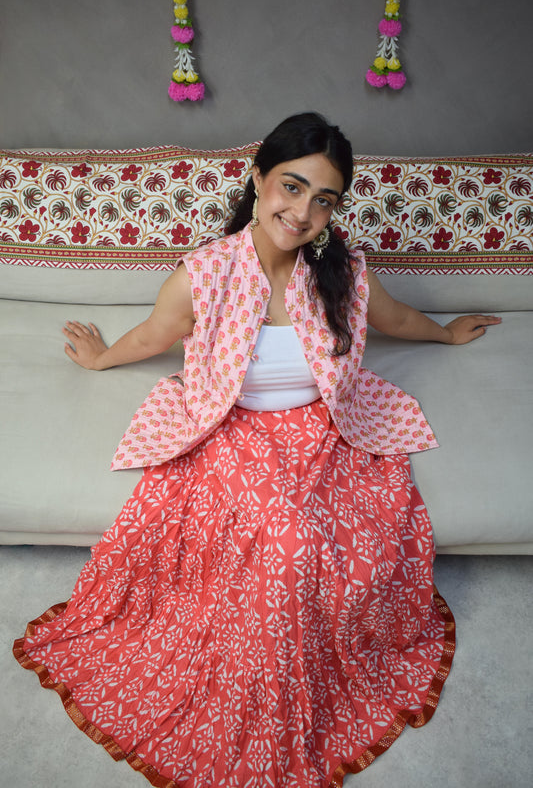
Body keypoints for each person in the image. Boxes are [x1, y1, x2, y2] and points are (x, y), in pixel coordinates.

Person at [14, 113, 501, 788]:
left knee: (334, 547)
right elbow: (156, 333)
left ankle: (302, 688)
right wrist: (101, 359)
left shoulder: (343, 272)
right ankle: (255, 709)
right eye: (291, 187)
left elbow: (393, 319)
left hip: (325, 429)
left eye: (323, 199)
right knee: (287, 540)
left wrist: (445, 334)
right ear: (257, 178)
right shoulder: (204, 273)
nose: (301, 213)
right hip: (230, 428)